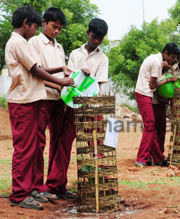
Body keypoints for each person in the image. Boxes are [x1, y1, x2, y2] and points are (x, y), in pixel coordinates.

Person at [6, 6, 74, 210]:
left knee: (29, 147)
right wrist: (60, 82)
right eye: (35, 26)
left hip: (31, 99)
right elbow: (35, 69)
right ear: (27, 23)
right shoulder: (19, 42)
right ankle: (19, 193)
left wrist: (61, 70)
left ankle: (28, 190)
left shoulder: (21, 42)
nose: (35, 30)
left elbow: (38, 68)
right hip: (23, 100)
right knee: (25, 149)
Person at [43, 18, 109, 199]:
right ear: (88, 33)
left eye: (100, 39)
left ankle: (99, 182)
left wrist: (90, 77)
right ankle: (56, 185)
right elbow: (69, 78)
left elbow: (100, 85)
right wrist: (81, 72)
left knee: (96, 145)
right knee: (64, 143)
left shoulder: (103, 58)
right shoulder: (75, 54)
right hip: (73, 106)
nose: (96, 41)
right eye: (94, 37)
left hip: (93, 107)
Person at [28, 7, 71, 201]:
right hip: (41, 98)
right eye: (54, 26)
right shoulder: (35, 42)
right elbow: (37, 73)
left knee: (59, 141)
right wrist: (60, 83)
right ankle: (36, 186)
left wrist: (66, 83)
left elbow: (62, 75)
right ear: (43, 23)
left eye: (60, 29)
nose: (56, 31)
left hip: (59, 100)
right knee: (38, 143)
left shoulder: (60, 47)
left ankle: (55, 184)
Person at [134, 42, 179, 167]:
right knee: (150, 125)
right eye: (172, 57)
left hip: (146, 94)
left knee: (151, 126)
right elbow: (152, 85)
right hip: (144, 93)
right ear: (166, 53)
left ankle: (157, 158)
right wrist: (169, 79)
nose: (173, 61)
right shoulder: (156, 63)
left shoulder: (156, 60)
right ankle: (142, 158)